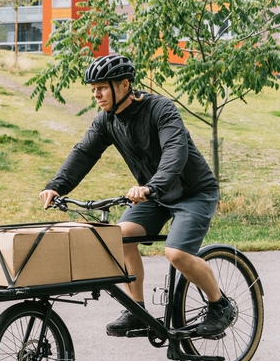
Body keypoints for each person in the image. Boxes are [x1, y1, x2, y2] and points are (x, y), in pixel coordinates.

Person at [38, 54, 235, 339]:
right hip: (154, 195)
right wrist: (57, 186)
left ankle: (220, 306)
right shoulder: (107, 120)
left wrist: (150, 186)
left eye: (102, 88)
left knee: (177, 253)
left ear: (124, 85)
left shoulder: (161, 109)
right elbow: (84, 153)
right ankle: (137, 310)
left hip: (193, 192)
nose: (96, 95)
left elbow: (174, 152)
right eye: (93, 89)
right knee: (117, 237)